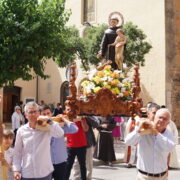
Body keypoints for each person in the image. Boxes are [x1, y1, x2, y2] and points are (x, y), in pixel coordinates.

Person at [13, 102, 64, 180]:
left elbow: (60, 133)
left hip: (44, 173)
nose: (33, 114)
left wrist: (49, 120)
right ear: (26, 115)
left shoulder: (46, 127)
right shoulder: (21, 131)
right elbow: (17, 152)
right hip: (27, 173)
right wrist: (16, 170)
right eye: (30, 112)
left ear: (39, 113)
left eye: (35, 112)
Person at [125, 108, 175, 180]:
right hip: (144, 177)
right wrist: (138, 129)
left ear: (168, 123)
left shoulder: (168, 132)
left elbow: (170, 147)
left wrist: (156, 134)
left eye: (165, 119)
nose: (161, 120)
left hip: (162, 177)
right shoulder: (143, 129)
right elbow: (128, 142)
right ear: (154, 118)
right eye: (160, 117)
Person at [40, 105, 78, 180]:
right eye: (44, 114)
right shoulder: (39, 127)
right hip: (46, 163)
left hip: (61, 162)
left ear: (51, 114)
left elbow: (75, 129)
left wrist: (64, 119)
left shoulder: (59, 124)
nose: (47, 116)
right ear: (40, 115)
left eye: (48, 113)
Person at [65, 116, 89, 180]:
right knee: (68, 165)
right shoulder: (65, 118)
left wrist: (82, 120)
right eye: (67, 109)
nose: (69, 111)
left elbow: (86, 129)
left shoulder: (81, 117)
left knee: (82, 165)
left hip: (81, 145)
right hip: (70, 146)